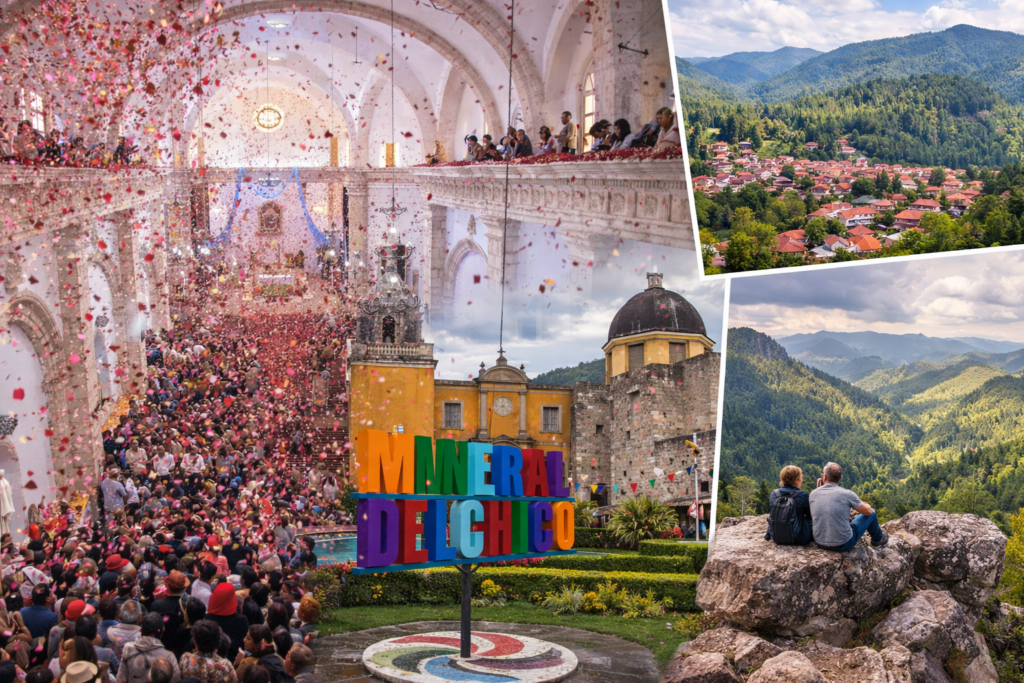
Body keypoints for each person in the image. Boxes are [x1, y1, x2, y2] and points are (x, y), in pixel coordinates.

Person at [809, 462, 889, 551]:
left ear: (824, 477)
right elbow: (868, 511)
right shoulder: (847, 494)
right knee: (872, 512)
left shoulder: (813, 494)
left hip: (820, 542)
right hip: (843, 544)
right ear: (841, 477)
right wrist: (867, 505)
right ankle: (877, 540)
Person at [116, 614, 180, 683]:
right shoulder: (169, 656)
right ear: (162, 632)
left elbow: (121, 679)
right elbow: (177, 679)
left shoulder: (128, 648)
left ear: (140, 630)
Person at [764, 465, 813, 546]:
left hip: (776, 537)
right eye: (801, 477)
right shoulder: (802, 495)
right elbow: (810, 516)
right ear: (797, 479)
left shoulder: (774, 494)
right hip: (798, 538)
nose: (802, 479)